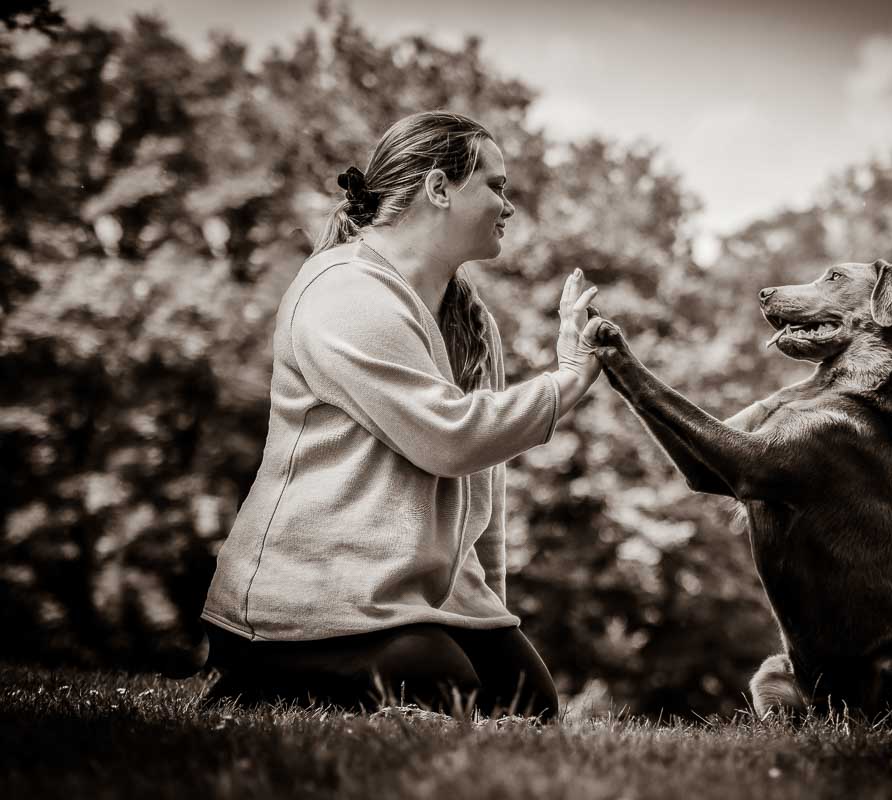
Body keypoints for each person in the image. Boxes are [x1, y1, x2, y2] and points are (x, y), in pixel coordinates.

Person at [199, 110, 602, 720]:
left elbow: (483, 491)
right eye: (495, 186)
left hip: (414, 599)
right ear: (439, 188)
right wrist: (567, 379)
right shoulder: (343, 293)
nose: (509, 206)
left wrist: (490, 614)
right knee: (444, 690)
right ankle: (250, 680)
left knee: (529, 706)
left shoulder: (472, 324)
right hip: (307, 602)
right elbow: (450, 439)